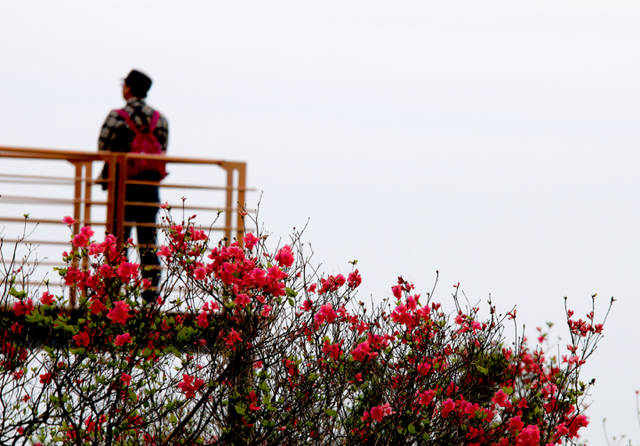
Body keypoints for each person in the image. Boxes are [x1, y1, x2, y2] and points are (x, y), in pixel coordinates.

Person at [98, 69, 169, 302]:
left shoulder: (117, 116)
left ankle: (114, 294)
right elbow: (163, 150)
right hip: (149, 188)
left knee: (118, 240)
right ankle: (150, 295)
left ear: (127, 88)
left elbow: (103, 148)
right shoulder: (159, 119)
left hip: (122, 187)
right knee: (148, 240)